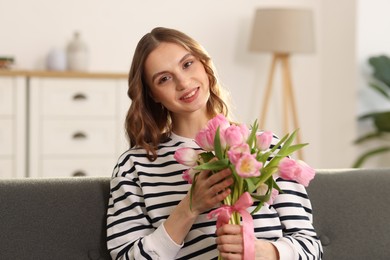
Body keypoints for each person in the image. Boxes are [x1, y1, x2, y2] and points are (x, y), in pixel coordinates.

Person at [106, 27, 323, 260]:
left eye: (187, 64)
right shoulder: (135, 166)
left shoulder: (264, 147)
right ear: (153, 94)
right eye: (164, 78)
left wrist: (262, 252)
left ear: (204, 65)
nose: (183, 82)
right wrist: (190, 206)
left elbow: (310, 247)